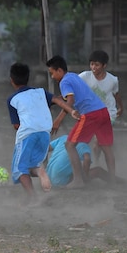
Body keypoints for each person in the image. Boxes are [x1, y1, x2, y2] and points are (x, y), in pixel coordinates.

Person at [46, 55, 115, 187]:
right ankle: (112, 180)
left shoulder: (64, 82)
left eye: (52, 73)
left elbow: (70, 101)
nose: (52, 77)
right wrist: (57, 100)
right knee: (106, 148)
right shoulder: (73, 76)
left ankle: (78, 180)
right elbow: (73, 95)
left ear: (59, 70)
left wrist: (58, 120)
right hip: (102, 111)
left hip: (91, 114)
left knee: (69, 145)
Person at [7, 62, 59, 202]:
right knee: (30, 166)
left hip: (27, 135)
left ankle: (33, 198)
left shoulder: (13, 99)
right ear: (28, 78)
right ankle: (39, 171)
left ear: (11, 80)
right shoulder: (40, 92)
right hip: (44, 133)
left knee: (19, 168)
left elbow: (17, 125)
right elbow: (56, 100)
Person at [46, 135, 127, 187]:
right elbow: (87, 159)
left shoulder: (64, 138)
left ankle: (79, 178)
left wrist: (45, 164)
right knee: (98, 171)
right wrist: (85, 176)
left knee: (73, 163)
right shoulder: (83, 145)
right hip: (59, 181)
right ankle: (124, 182)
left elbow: (45, 149)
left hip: (48, 178)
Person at [78, 50, 123, 160]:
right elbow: (72, 84)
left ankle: (97, 161)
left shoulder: (112, 80)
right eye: (92, 64)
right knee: (86, 141)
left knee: (97, 142)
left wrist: (121, 107)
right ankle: (95, 160)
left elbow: (116, 94)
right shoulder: (84, 76)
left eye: (97, 65)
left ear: (104, 65)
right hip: (91, 113)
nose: (93, 67)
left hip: (108, 113)